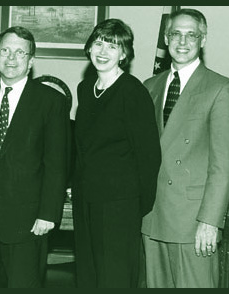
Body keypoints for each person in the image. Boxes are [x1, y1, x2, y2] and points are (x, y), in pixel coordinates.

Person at [0, 26, 70, 288]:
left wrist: (48, 214)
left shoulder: (51, 102)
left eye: (20, 52)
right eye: (5, 50)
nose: (11, 58)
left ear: (30, 61)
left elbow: (56, 164)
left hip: (28, 220)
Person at [141, 8, 229, 288]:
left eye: (191, 35)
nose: (183, 42)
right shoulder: (149, 86)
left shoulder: (221, 89)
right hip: (152, 217)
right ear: (166, 37)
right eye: (176, 34)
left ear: (203, 40)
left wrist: (210, 221)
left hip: (193, 221)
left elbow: (224, 165)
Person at [71, 19, 161, 288]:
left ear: (124, 54)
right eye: (98, 43)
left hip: (119, 204)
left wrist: (135, 205)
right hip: (86, 199)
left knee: (114, 277)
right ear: (89, 48)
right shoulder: (85, 89)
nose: (103, 51)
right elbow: (82, 149)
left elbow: (149, 156)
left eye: (112, 46)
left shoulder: (133, 92)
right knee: (88, 273)